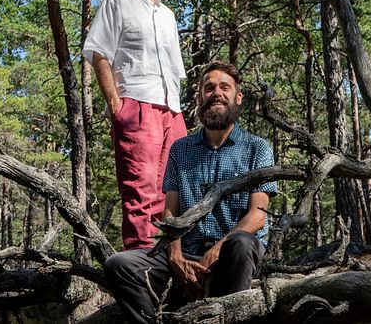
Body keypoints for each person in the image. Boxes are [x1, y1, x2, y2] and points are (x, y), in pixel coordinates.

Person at [103, 61, 277, 324]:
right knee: (120, 265)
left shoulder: (257, 148)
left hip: (234, 256)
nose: (216, 92)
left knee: (240, 243)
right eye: (208, 88)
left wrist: (218, 249)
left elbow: (257, 217)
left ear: (238, 97)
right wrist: (175, 256)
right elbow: (170, 211)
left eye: (224, 87)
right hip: (188, 254)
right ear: (199, 98)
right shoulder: (180, 149)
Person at [83, 0, 187, 250]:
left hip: (173, 111)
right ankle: (141, 274)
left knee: (176, 191)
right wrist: (116, 104)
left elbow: (175, 69)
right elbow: (99, 52)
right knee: (142, 193)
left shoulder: (168, 14)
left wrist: (180, 114)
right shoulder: (117, 0)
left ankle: (173, 263)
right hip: (137, 106)